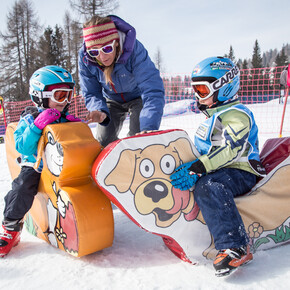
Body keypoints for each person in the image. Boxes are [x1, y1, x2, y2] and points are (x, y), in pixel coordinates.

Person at [170, 57, 266, 277]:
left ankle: (235, 245)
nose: (197, 96)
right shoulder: (214, 117)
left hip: (242, 170)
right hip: (221, 169)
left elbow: (231, 149)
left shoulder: (238, 114)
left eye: (202, 90)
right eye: (195, 90)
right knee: (199, 183)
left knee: (208, 186)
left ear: (224, 88)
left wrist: (201, 167)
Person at [0, 65, 81, 257]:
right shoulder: (29, 119)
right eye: (60, 96)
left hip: (63, 166)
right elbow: (21, 146)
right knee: (22, 187)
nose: (66, 101)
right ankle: (10, 226)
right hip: (36, 166)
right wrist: (36, 126)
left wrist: (77, 128)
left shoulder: (64, 118)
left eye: (69, 96)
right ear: (40, 95)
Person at [78, 15, 165, 147]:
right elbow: (91, 91)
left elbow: (152, 88)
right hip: (111, 100)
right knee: (103, 142)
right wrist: (99, 110)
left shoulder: (134, 49)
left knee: (138, 140)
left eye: (107, 48)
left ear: (116, 42)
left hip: (138, 98)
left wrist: (149, 126)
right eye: (94, 52)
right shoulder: (85, 58)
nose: (101, 56)